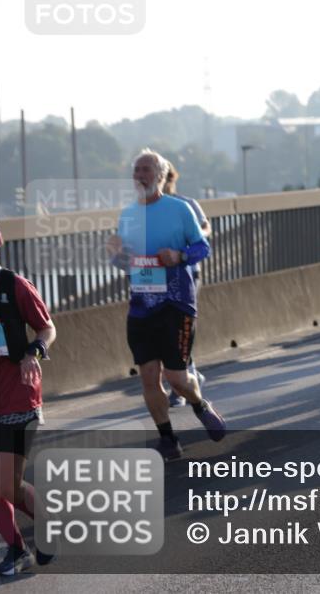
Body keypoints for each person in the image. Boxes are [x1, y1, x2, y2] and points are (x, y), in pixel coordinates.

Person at [106, 149, 225, 460]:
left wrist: (180, 256)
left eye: (145, 170)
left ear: (159, 176)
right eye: (136, 170)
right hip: (141, 305)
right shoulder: (127, 215)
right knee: (147, 375)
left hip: (176, 303)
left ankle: (200, 404)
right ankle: (168, 438)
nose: (139, 175)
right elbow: (125, 263)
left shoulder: (180, 209)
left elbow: (203, 247)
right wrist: (115, 254)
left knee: (176, 377)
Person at [0, 223, 58, 576]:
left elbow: (47, 326)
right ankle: (17, 550)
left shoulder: (13, 285)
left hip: (18, 398)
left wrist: (35, 350)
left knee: (6, 486)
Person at [162, 161, 210, 405]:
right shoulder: (145, 209)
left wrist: (183, 248)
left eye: (166, 178)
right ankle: (189, 375)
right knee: (162, 330)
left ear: (171, 178)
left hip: (187, 274)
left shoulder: (186, 204)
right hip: (157, 278)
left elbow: (204, 229)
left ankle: (179, 384)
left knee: (178, 326)